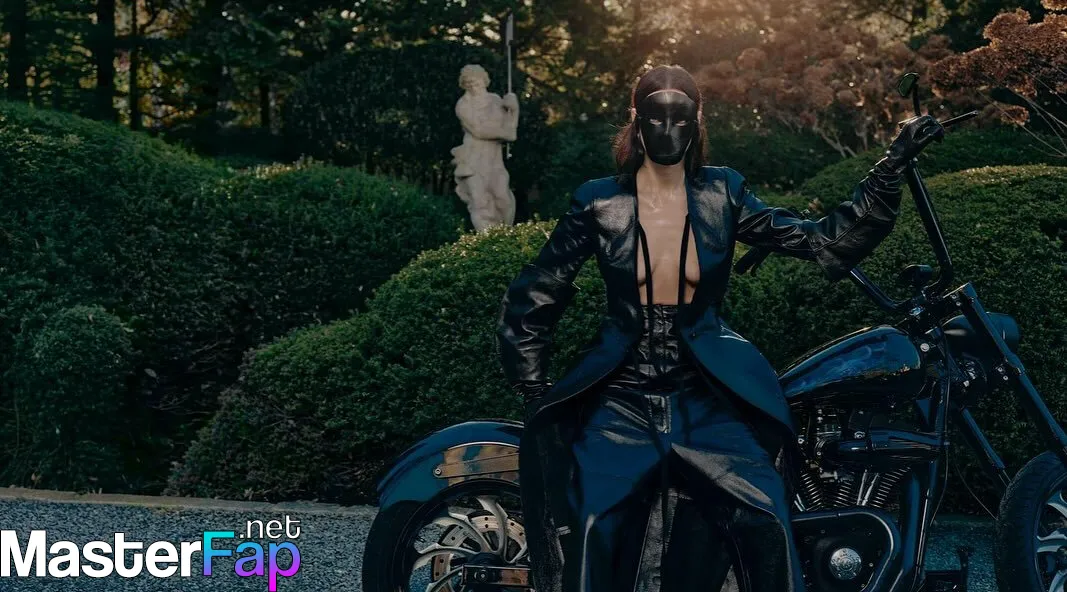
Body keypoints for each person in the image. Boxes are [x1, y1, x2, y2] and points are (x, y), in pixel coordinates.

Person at [495, 64, 945, 592]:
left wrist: (890, 166)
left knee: (765, 512)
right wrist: (532, 382)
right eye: (655, 118)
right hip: (622, 394)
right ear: (636, 120)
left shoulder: (723, 191)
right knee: (594, 523)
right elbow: (542, 284)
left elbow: (821, 239)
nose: (668, 130)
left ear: (697, 121)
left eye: (680, 118)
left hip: (702, 393)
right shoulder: (599, 200)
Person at [451, 64, 520, 232]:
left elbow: (510, 127)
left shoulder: (496, 100)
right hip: (473, 159)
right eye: (470, 84)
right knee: (479, 202)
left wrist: (514, 110)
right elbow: (478, 130)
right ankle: (486, 239)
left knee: (503, 198)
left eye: (478, 82)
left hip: (494, 159)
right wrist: (507, 134)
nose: (475, 87)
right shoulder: (463, 105)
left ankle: (505, 236)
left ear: (485, 81)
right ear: (465, 85)